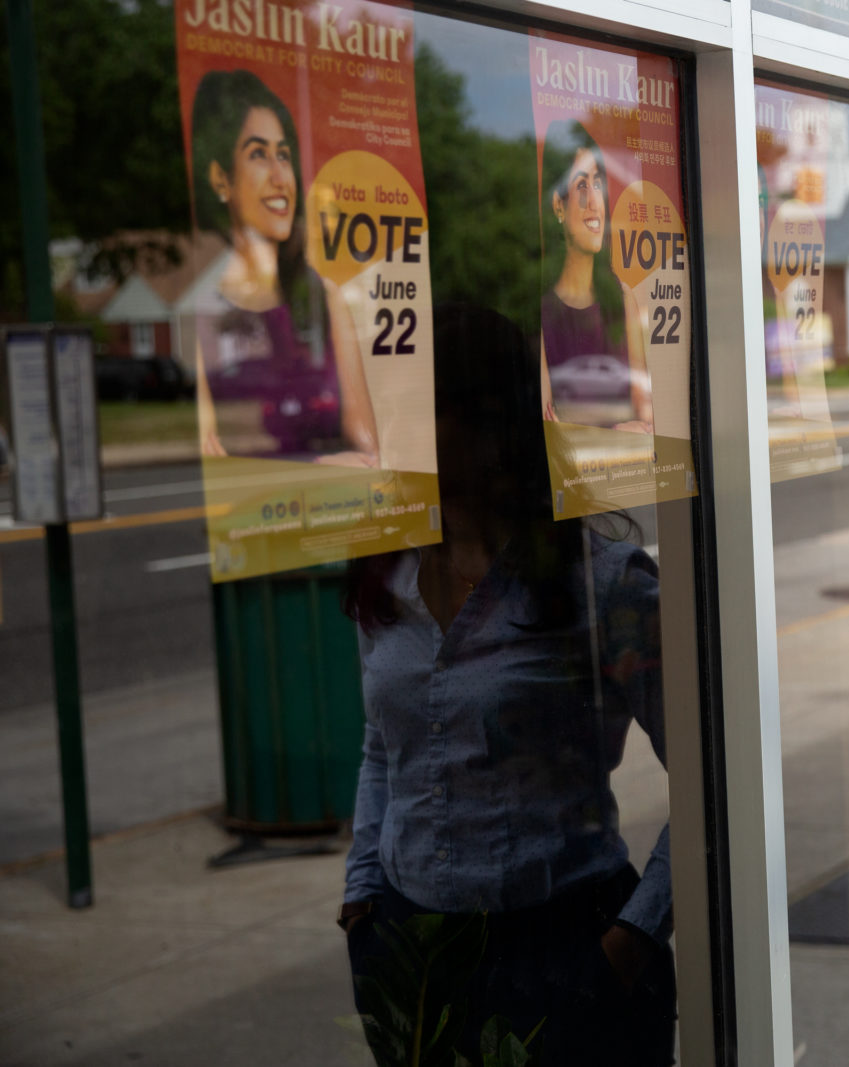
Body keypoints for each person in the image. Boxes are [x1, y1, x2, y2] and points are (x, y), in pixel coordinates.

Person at [341, 304, 675, 1065]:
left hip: (565, 946)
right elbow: (383, 745)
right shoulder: (387, 573)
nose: (399, 428)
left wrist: (630, 937)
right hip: (412, 949)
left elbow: (708, 776)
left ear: (492, 421)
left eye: (424, 405)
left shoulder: (602, 584)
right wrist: (363, 900)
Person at [188, 69, 378, 465]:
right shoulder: (205, 307)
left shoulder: (322, 294)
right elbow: (215, 462)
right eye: (258, 154)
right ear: (221, 179)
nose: (280, 177)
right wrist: (318, 468)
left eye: (284, 156)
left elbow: (364, 440)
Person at [537, 119, 653, 433]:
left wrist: (583, 430)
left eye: (598, 184)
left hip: (625, 477)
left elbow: (647, 418)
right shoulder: (541, 312)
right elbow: (550, 433)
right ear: (558, 206)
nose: (593, 202)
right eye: (581, 185)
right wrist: (616, 431)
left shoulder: (621, 298)